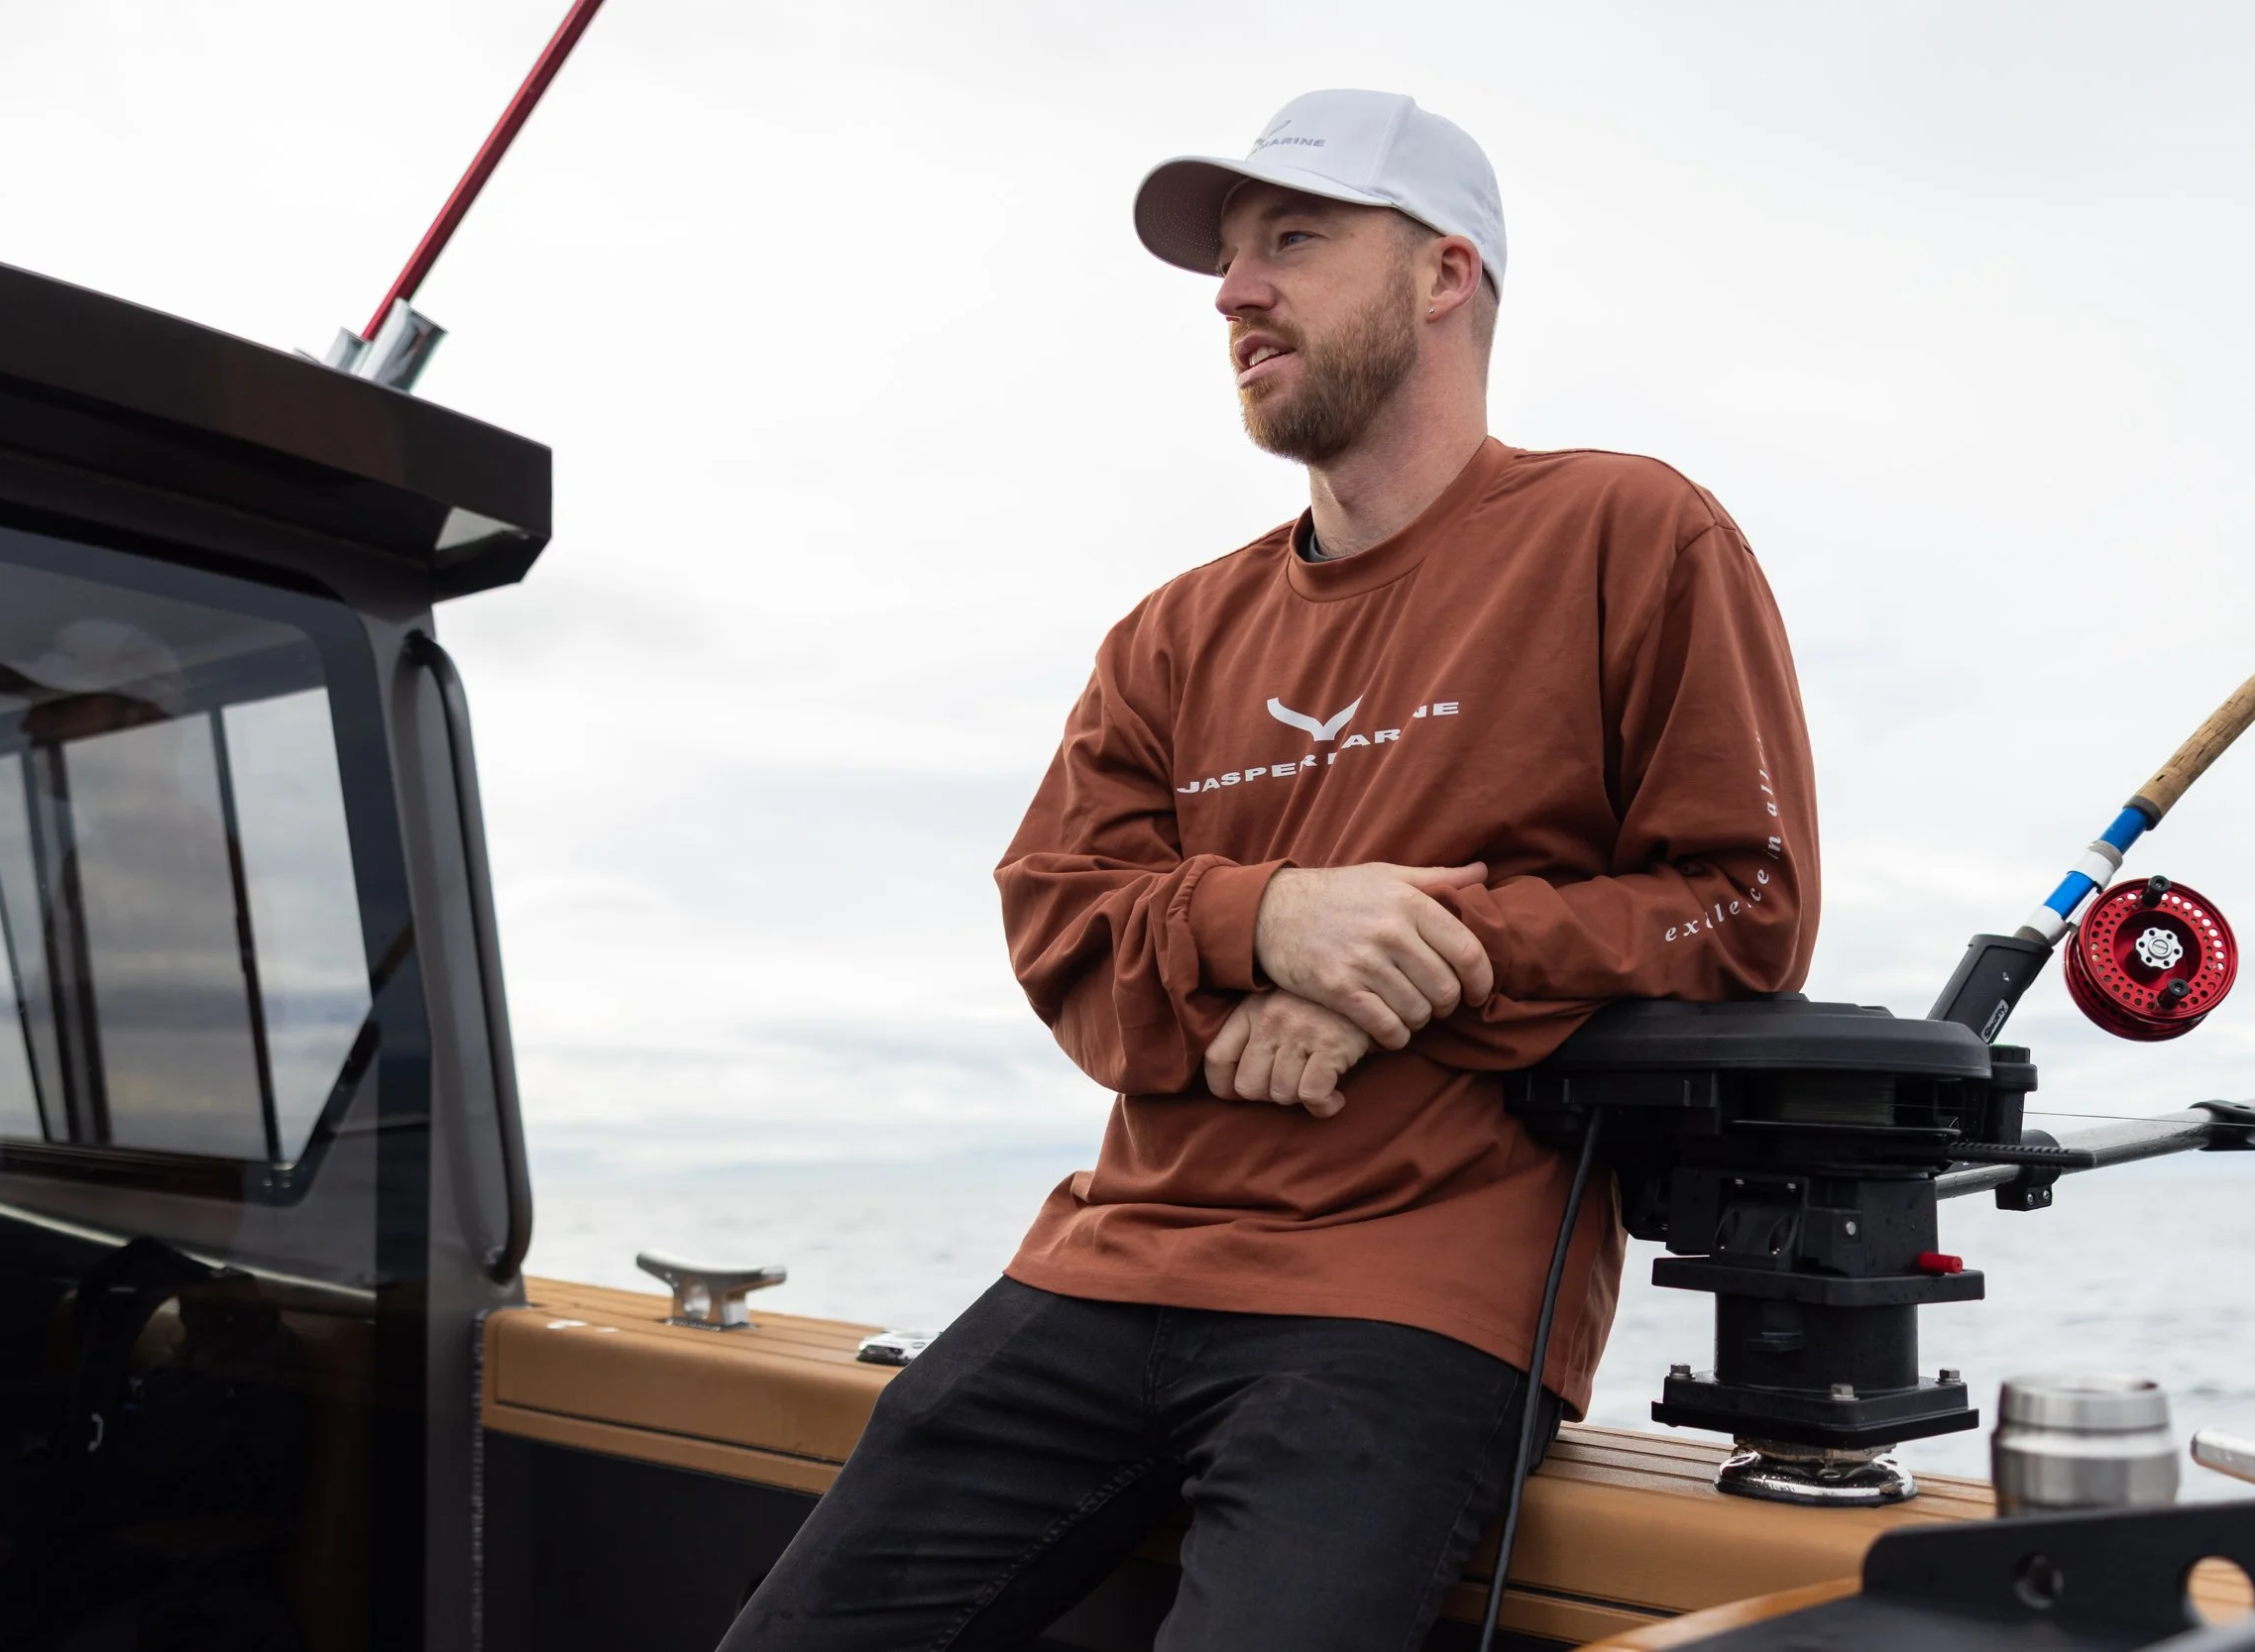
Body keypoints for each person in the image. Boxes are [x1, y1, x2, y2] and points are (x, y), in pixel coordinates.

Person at [722, 87, 1820, 1651]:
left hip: (1409, 1299)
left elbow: (1745, 906)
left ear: (1446, 274)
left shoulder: (1629, 532)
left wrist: (1414, 972)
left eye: (1294, 240)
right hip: (1107, 1260)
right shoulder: (1172, 631)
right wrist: (1273, 918)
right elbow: (1055, 914)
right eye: (1231, 260)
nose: (1236, 292)